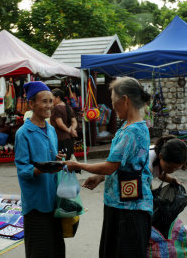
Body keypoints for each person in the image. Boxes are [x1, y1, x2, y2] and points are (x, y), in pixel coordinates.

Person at [65, 77, 152, 258]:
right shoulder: (128, 127)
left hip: (129, 208)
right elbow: (123, 165)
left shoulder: (132, 131)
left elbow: (110, 166)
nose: (113, 107)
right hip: (120, 202)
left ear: (125, 100)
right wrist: (100, 177)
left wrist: (76, 165)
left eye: (114, 102)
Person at [14, 81, 65, 258]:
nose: (49, 105)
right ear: (31, 104)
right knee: (40, 250)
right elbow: (23, 169)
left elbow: (50, 157)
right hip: (36, 203)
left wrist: (56, 160)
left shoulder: (51, 130)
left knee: (56, 249)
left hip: (54, 199)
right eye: (44, 101)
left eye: (51, 101)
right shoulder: (23, 133)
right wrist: (41, 170)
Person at [83, 135, 187, 190]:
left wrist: (172, 180)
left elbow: (159, 172)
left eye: (176, 168)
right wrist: (100, 177)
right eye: (170, 168)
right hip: (127, 184)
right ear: (160, 156)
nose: (172, 171)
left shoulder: (160, 152)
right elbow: (120, 169)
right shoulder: (145, 164)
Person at [50, 88, 78, 160]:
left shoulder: (56, 108)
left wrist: (69, 130)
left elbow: (60, 124)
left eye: (51, 97)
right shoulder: (68, 107)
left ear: (58, 97)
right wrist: (72, 129)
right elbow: (74, 122)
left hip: (60, 139)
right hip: (69, 139)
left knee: (62, 163)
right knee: (69, 160)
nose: (50, 100)